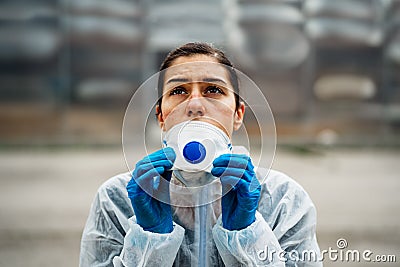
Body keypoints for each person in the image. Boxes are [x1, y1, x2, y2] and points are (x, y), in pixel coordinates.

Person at [80, 42, 322, 266]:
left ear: (238, 114)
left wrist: (248, 235)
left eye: (213, 89)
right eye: (178, 91)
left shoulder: (283, 200)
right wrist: (149, 240)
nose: (195, 105)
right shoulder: (116, 200)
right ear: (161, 116)